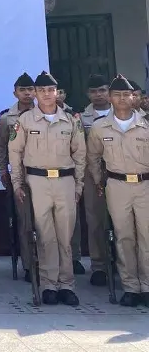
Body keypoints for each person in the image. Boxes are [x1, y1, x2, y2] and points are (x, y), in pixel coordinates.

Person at [10, 71, 87, 307]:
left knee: (65, 236)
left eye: (50, 90)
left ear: (57, 92)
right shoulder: (25, 121)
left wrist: (79, 184)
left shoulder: (71, 120)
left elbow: (80, 154)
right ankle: (48, 285)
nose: (46, 94)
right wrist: (17, 183)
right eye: (41, 90)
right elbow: (15, 153)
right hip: (37, 181)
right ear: (35, 93)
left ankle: (67, 285)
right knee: (45, 236)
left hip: (65, 181)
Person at [86, 75, 149, 307]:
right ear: (111, 98)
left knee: (146, 237)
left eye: (126, 94)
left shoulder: (146, 124)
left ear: (134, 97)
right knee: (124, 237)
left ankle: (147, 286)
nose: (122, 99)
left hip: (145, 185)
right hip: (116, 185)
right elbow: (93, 157)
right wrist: (98, 181)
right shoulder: (99, 127)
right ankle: (130, 287)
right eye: (117, 95)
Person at [0, 73, 38, 281]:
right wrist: (3, 171)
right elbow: (0, 147)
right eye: (22, 90)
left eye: (30, 89)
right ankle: (30, 265)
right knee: (25, 222)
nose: (27, 93)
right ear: (15, 93)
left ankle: (47, 264)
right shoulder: (7, 118)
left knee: (46, 223)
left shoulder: (45, 113)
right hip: (20, 175)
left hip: (43, 173)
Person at [78, 73, 112, 287]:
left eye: (102, 90)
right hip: (92, 175)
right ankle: (99, 266)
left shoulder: (124, 114)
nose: (98, 95)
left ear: (109, 92)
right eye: (94, 91)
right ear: (87, 94)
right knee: (96, 221)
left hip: (121, 173)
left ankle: (126, 264)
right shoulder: (81, 119)